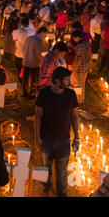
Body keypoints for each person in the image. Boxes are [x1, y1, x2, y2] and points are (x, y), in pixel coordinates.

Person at [35, 67, 80, 197]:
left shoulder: (71, 94)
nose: (69, 82)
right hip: (46, 138)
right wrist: (37, 137)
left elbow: (75, 115)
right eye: (67, 79)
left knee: (61, 170)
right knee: (45, 167)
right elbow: (38, 115)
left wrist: (77, 137)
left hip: (64, 140)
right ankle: (47, 187)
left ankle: (62, 193)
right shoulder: (44, 93)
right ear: (57, 80)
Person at [22, 27, 48, 97]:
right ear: (42, 32)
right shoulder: (40, 40)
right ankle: (32, 94)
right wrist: (43, 62)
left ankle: (25, 92)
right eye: (46, 34)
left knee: (26, 78)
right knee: (34, 79)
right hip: (35, 63)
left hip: (26, 61)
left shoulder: (29, 38)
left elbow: (24, 49)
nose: (46, 36)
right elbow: (41, 53)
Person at [71, 30, 92, 104]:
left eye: (74, 38)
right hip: (86, 66)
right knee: (82, 84)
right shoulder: (86, 43)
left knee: (77, 85)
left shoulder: (79, 46)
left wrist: (74, 70)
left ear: (76, 37)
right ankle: (82, 99)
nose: (73, 39)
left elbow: (79, 58)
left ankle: (78, 100)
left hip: (80, 68)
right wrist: (90, 65)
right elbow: (90, 54)